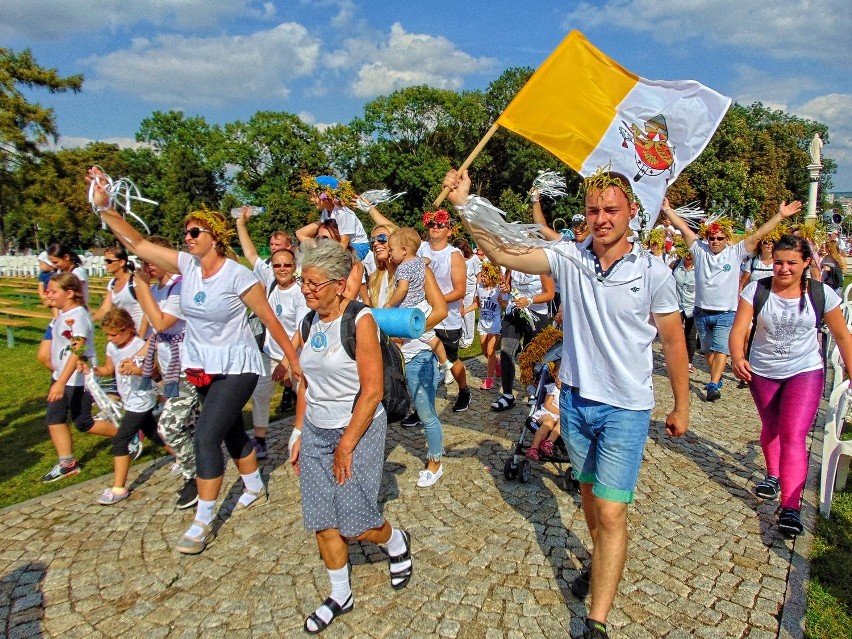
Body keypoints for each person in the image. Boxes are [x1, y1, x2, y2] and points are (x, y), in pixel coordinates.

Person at [444, 167, 689, 639]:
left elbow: (675, 342)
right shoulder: (568, 257)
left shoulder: (654, 273)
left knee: (613, 511)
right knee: (591, 499)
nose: (601, 219)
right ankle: (599, 562)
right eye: (594, 210)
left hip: (626, 408)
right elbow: (502, 251)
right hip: (575, 402)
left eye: (611, 209)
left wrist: (682, 404)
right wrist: (463, 204)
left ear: (631, 213)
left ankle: (595, 621)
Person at [88, 166, 301, 555]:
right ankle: (253, 485)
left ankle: (202, 520)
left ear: (214, 238)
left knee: (206, 435)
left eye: (193, 233)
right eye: (185, 233)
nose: (186, 239)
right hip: (202, 366)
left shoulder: (238, 277)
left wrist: (294, 362)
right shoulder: (186, 267)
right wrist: (105, 209)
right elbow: (136, 244)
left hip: (239, 367)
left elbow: (270, 321)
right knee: (232, 430)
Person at [288, 239, 413, 634]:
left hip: (357, 426)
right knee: (323, 521)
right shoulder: (309, 322)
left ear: (340, 284)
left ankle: (395, 541)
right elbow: (305, 383)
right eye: (303, 282)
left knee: (355, 524)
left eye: (314, 283)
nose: (306, 290)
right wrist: (297, 432)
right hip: (316, 429)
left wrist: (346, 445)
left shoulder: (361, 321)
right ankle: (339, 593)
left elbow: (372, 390)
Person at [729, 234, 852, 536]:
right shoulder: (756, 290)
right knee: (772, 428)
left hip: (805, 370)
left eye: (791, 263)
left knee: (794, 435)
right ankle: (773, 474)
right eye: (779, 262)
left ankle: (791, 507)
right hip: (763, 371)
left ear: (807, 263)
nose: (783, 269)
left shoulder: (822, 295)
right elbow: (739, 329)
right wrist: (736, 357)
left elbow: (842, 336)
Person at [663, 197, 801, 402]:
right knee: (708, 351)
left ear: (727, 238)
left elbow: (759, 234)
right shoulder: (699, 250)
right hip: (701, 310)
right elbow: (683, 228)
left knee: (721, 349)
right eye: (712, 238)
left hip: (726, 312)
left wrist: (780, 215)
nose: (715, 241)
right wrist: (667, 209)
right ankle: (717, 378)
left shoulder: (736, 252)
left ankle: (712, 384)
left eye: (719, 238)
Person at [365, 224, 449, 486]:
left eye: (384, 240)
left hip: (417, 353)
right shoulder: (373, 279)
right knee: (377, 410)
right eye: (375, 241)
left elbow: (441, 310)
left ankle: (435, 461)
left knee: (424, 410)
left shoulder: (416, 270)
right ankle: (368, 462)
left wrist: (411, 330)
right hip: (385, 354)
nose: (379, 245)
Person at [367, 206, 472, 413]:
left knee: (451, 359)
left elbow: (460, 290)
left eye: (440, 224)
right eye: (431, 223)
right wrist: (370, 209)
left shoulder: (454, 255)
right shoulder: (420, 249)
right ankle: (420, 408)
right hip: (416, 313)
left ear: (449, 230)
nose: (434, 227)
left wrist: (431, 300)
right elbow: (395, 231)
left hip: (444, 317)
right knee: (419, 363)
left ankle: (464, 389)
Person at [132, 236, 200, 510]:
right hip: (169, 369)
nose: (147, 267)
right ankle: (202, 468)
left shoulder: (180, 287)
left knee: (169, 427)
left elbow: (160, 322)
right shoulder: (160, 289)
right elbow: (151, 330)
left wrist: (142, 290)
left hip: (186, 368)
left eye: (151, 260)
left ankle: (193, 475)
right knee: (190, 425)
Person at [40, 273, 118, 482]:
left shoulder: (78, 317)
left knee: (83, 423)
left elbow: (77, 352)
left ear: (70, 293)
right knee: (54, 418)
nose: (49, 294)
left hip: (77, 379)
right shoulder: (64, 314)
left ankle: (126, 434)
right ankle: (67, 463)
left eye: (54, 291)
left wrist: (60, 382)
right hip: (61, 377)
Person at [80, 308, 160, 505]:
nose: (110, 338)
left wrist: (136, 370)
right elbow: (109, 369)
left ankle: (119, 488)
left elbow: (154, 372)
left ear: (128, 329)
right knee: (153, 433)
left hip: (141, 399)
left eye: (114, 334)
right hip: (129, 400)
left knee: (121, 440)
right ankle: (186, 456)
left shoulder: (140, 346)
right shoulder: (112, 347)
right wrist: (92, 370)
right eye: (107, 334)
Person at [250, 247, 308, 458]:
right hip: (268, 353)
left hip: (295, 355)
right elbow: (250, 253)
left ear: (295, 267)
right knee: (260, 394)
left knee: (303, 394)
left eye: (287, 265)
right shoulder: (271, 283)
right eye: (277, 265)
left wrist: (286, 362)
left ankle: (304, 435)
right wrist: (240, 223)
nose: (282, 269)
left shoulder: (300, 294)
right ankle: (260, 440)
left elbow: (300, 331)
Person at [384, 227, 454, 374]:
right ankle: (444, 361)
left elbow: (402, 289)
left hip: (411, 309)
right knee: (431, 337)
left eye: (391, 249)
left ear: (404, 250)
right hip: (422, 305)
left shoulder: (403, 268)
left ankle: (444, 362)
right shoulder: (418, 262)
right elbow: (427, 259)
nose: (390, 253)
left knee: (421, 334)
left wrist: (390, 303)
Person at [491, 268, 554, 412]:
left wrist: (530, 300)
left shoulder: (541, 266)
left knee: (532, 356)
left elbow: (549, 294)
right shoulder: (513, 264)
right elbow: (510, 287)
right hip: (515, 312)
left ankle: (534, 391)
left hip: (536, 314)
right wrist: (506, 289)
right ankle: (507, 395)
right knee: (506, 350)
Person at [297, 219, 368, 303]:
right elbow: (300, 233)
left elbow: (349, 297)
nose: (321, 242)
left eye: (325, 238)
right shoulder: (316, 261)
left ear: (339, 240)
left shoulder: (354, 265)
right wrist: (324, 219)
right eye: (318, 238)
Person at [462, 261, 502, 390]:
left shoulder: (498, 290)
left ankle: (489, 379)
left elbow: (505, 304)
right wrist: (466, 311)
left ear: (492, 276)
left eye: (485, 276)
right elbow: (478, 304)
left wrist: (504, 303)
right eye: (482, 276)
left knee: (491, 351)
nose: (482, 278)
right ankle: (497, 363)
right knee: (485, 352)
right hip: (483, 324)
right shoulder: (479, 288)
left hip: (495, 324)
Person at [91, 245, 144, 332]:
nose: (106, 264)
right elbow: (104, 309)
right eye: (105, 261)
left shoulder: (134, 282)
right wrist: (89, 320)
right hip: (126, 333)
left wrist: (141, 337)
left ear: (121, 262)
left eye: (109, 261)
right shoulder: (112, 284)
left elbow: (146, 312)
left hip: (140, 332)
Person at [525, 361, 561, 461]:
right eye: (555, 377)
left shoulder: (571, 392)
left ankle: (549, 442)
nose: (557, 380)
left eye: (560, 378)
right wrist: (560, 412)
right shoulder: (553, 388)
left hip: (561, 418)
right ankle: (534, 448)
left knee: (563, 423)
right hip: (548, 413)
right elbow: (547, 404)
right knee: (548, 423)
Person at [671, 249, 698, 372]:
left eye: (690, 255)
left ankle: (688, 361)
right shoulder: (676, 264)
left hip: (693, 306)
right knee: (674, 334)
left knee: (690, 335)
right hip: (677, 304)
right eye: (686, 254)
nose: (688, 257)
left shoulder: (699, 268)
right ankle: (675, 359)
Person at [456, 238, 482, 349]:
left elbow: (479, 276)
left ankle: (469, 338)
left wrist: (477, 291)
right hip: (460, 290)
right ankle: (462, 336)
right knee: (459, 314)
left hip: (470, 291)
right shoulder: (458, 260)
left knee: (468, 315)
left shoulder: (474, 259)